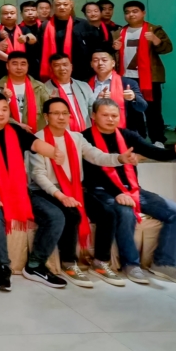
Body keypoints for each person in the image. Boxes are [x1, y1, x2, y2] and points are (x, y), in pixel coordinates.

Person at [82, 99, 176, 285]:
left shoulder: (127, 135)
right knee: (125, 212)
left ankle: (164, 263)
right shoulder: (84, 138)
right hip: (100, 190)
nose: (110, 119)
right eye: (105, 115)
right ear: (93, 116)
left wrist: (175, 152)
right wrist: (117, 193)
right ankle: (131, 264)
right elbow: (92, 172)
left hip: (132, 189)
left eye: (114, 115)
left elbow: (153, 152)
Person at [0, 92, 61, 291]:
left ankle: (35, 265)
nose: (0, 113)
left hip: (18, 192)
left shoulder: (15, 130)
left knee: (55, 216)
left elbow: (35, 143)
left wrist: (53, 152)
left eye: (4, 109)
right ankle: (3, 267)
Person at [28, 97, 133, 288]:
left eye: (65, 113)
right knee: (72, 214)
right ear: (46, 116)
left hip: (74, 187)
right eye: (56, 113)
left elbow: (96, 156)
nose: (61, 117)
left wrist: (119, 158)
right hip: (47, 190)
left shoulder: (76, 137)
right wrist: (61, 196)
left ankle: (100, 262)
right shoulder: (37, 140)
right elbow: (38, 175)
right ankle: (69, 262)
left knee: (108, 213)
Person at [112, 1, 172, 145]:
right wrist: (114, 48)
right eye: (127, 12)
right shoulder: (119, 32)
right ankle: (137, 140)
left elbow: (167, 48)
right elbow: (113, 56)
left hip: (150, 78)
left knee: (153, 111)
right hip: (126, 77)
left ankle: (157, 140)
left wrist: (156, 40)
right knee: (132, 112)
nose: (131, 15)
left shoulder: (154, 30)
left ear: (143, 13)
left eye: (135, 11)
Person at [88, 49, 147, 136]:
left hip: (126, 132)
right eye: (96, 60)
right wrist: (98, 101)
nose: (100, 63)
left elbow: (143, 107)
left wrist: (133, 97)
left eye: (104, 60)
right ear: (91, 64)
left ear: (113, 63)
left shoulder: (128, 83)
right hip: (94, 132)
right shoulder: (85, 85)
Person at [0, 52, 50, 132]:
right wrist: (17, 125)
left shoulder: (40, 87)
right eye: (15, 64)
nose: (19, 67)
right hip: (8, 132)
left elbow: (49, 110)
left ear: (28, 66)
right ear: (7, 66)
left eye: (23, 64)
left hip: (37, 134)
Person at [44, 53, 93, 132]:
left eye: (65, 64)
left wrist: (101, 100)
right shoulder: (44, 89)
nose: (62, 68)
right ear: (51, 68)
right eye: (57, 65)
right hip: (59, 135)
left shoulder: (83, 86)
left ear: (71, 67)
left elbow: (93, 111)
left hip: (85, 133)